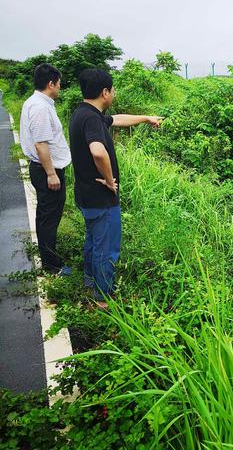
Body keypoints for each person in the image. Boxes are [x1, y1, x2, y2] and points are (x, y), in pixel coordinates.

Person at [69, 68, 161, 308]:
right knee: (106, 248)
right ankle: (102, 299)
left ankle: (90, 281)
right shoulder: (91, 119)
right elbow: (98, 151)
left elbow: (117, 119)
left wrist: (146, 118)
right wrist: (110, 181)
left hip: (86, 195)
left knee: (93, 240)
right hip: (101, 197)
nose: (114, 93)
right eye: (113, 89)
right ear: (105, 92)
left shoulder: (84, 113)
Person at [20, 63, 71, 275]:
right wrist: (51, 173)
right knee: (48, 218)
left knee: (47, 216)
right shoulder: (40, 107)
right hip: (46, 170)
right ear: (51, 83)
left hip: (45, 169)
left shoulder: (38, 103)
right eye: (59, 84)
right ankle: (52, 267)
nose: (60, 88)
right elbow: (41, 144)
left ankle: (50, 259)